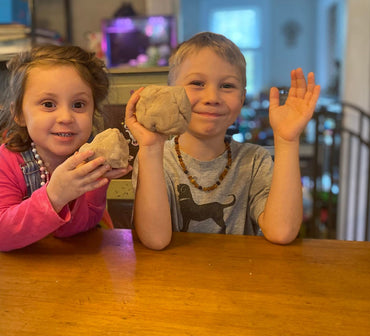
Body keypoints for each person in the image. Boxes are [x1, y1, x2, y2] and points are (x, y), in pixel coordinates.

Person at [125, 32, 320, 250]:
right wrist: (150, 149)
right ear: (171, 93)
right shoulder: (156, 159)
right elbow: (155, 240)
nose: (212, 98)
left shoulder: (255, 161)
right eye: (197, 83)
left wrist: (287, 140)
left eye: (227, 86)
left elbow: (282, 231)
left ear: (242, 99)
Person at [0, 45, 131, 251]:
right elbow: (0, 235)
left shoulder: (91, 158)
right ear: (19, 113)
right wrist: (54, 196)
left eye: (78, 105)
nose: (66, 118)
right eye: (48, 104)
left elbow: (85, 226)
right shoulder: (7, 161)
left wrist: (95, 180)